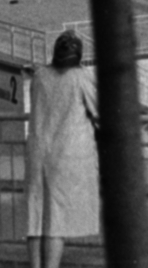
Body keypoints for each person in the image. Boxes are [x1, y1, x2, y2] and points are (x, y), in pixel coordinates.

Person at [25, 30, 99, 268]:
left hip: (37, 153)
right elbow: (100, 111)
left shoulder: (39, 76)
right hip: (67, 155)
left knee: (35, 217)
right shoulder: (81, 77)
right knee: (55, 221)